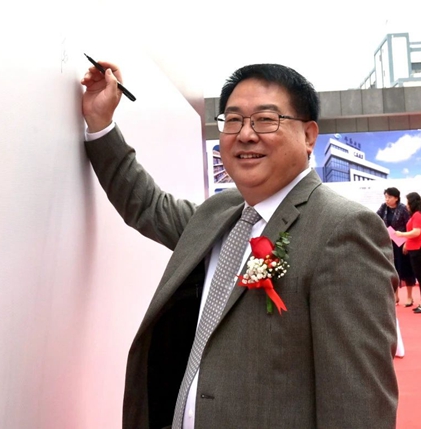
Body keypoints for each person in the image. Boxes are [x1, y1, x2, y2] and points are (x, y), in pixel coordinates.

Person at [81, 61, 398, 428]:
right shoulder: (218, 214)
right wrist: (100, 123)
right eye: (233, 120)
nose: (245, 134)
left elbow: (357, 405)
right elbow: (148, 206)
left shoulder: (343, 230)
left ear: (309, 136)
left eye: (266, 120)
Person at [376, 188, 414, 307]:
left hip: (402, 242)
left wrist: (407, 242)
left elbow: (409, 226)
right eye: (386, 197)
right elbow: (376, 218)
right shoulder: (384, 208)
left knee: (406, 268)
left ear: (396, 198)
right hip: (390, 243)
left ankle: (409, 296)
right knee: (393, 268)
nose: (387, 199)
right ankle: (395, 296)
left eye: (389, 197)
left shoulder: (403, 209)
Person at [395, 192, 421, 314]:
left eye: (408, 202)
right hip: (416, 248)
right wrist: (407, 243)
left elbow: (416, 232)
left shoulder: (418, 215)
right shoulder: (417, 215)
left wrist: (401, 234)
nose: (406, 205)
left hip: (419, 250)